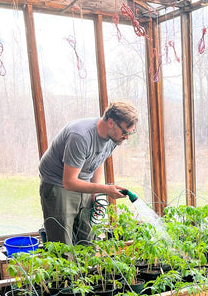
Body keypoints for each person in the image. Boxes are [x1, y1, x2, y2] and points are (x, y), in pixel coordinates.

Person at [39, 101, 138, 245]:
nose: (127, 137)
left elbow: (98, 159)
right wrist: (105, 189)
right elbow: (69, 182)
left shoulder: (113, 138)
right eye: (125, 132)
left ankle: (89, 267)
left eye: (130, 132)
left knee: (88, 238)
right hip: (58, 183)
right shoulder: (80, 136)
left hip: (82, 181)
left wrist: (95, 193)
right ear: (111, 122)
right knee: (62, 243)